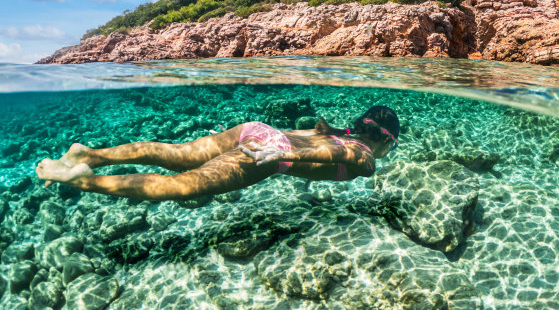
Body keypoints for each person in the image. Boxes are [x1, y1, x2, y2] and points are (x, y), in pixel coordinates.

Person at [36, 106, 400, 202]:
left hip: (254, 131)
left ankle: (89, 154)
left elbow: (323, 144)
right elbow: (349, 160)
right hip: (266, 151)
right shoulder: (362, 153)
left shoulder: (337, 132)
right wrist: (280, 154)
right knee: (180, 187)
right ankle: (87, 179)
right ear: (385, 141)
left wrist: (278, 143)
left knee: (173, 153)